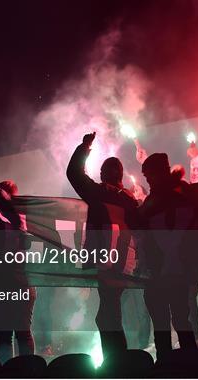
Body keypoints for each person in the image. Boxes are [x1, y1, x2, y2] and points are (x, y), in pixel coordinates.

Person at [67, 132, 139, 365]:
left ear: (102, 175)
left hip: (106, 260)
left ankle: (116, 362)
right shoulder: (130, 199)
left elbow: (74, 174)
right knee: (110, 312)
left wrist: (85, 146)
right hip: (124, 261)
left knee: (108, 315)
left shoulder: (99, 193)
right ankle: (118, 360)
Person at [139, 153, 198, 360]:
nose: (147, 180)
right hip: (179, 270)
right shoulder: (184, 195)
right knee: (182, 319)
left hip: (158, 271)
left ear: (157, 174)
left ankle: (166, 365)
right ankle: (191, 365)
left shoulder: (153, 202)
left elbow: (143, 233)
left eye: (148, 176)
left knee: (162, 324)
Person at [0, 180, 36, 363]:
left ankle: (19, 373)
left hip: (11, 282)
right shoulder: (14, 216)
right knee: (14, 335)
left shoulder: (11, 216)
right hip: (16, 282)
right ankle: (27, 372)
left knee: (10, 336)